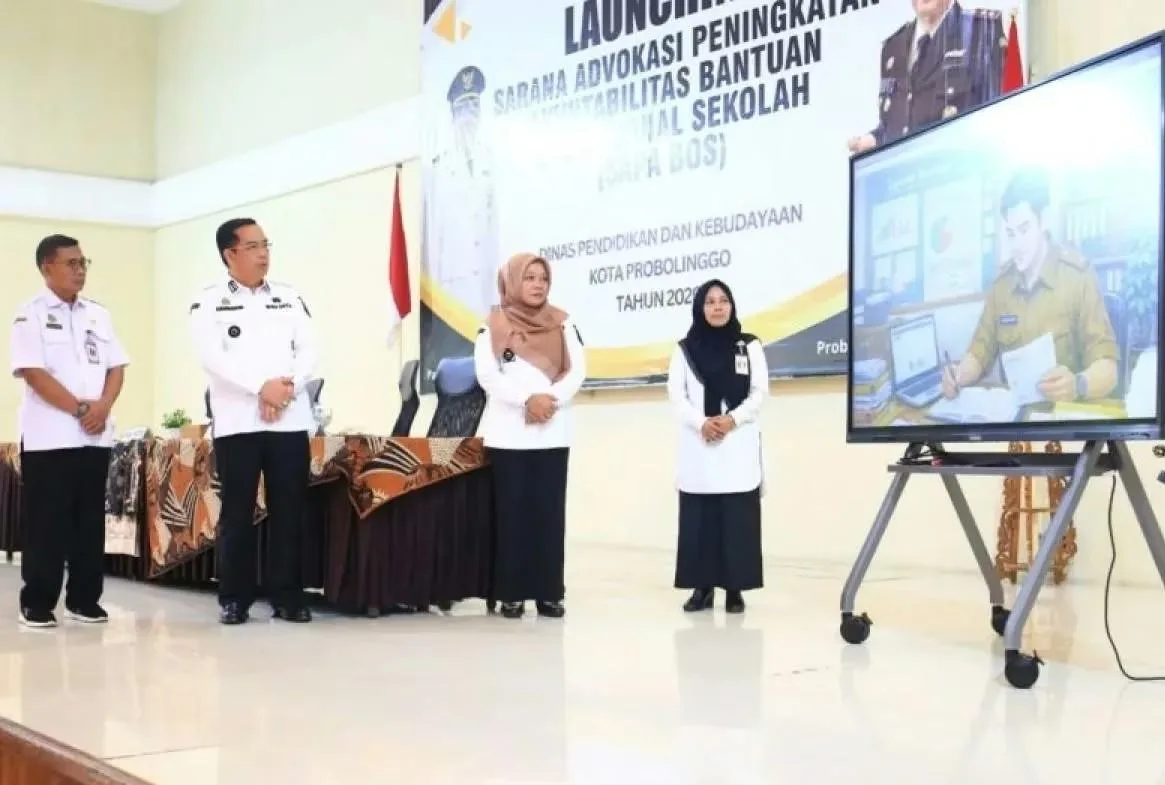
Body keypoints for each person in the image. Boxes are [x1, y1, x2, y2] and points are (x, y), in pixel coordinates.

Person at [188, 218, 319, 625]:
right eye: (253, 246)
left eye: (266, 245)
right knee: (237, 513)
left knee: (290, 511)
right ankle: (235, 598)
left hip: (288, 421)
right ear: (230, 254)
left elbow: (310, 351)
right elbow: (214, 359)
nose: (263, 254)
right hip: (238, 423)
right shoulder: (208, 302)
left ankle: (288, 596)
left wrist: (286, 389)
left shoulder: (289, 297)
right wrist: (260, 388)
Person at [9, 234, 129, 628]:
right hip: (50, 437)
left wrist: (103, 407)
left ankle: (84, 600)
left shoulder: (98, 314)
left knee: (89, 522)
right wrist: (79, 409)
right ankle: (37, 602)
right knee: (47, 523)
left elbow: (116, 367)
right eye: (71, 263)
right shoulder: (30, 315)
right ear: (48, 268)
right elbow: (34, 372)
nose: (80, 270)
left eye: (83, 263)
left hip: (94, 436)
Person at [941, 168, 1119, 402]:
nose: (1015, 245)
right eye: (1010, 234)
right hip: (1014, 417)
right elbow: (978, 353)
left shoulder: (1077, 276)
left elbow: (1108, 368)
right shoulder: (1001, 286)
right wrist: (958, 375)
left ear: (1043, 221)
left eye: (1024, 230)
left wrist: (1078, 384)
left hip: (1063, 415)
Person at [473, 253, 586, 619]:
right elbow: (488, 376)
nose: (538, 284)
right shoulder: (492, 326)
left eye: (543, 278)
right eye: (530, 277)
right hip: (509, 435)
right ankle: (511, 593)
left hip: (552, 432)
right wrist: (527, 400)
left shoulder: (564, 324)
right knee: (512, 517)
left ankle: (549, 593)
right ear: (512, 282)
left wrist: (548, 400)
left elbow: (578, 371)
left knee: (549, 517)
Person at [666, 280, 768, 614]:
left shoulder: (749, 346)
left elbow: (759, 392)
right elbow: (677, 396)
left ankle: (735, 589)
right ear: (700, 308)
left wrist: (731, 420)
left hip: (737, 442)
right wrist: (702, 423)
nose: (718, 307)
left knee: (737, 519)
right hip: (699, 445)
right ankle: (702, 589)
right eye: (710, 302)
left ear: (732, 306)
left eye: (724, 300)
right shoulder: (684, 350)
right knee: (700, 520)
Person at [422, 64, 501, 377]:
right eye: (464, 107)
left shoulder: (489, 160)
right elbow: (432, 239)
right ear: (453, 114)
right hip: (452, 290)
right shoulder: (438, 169)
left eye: (474, 106)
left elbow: (495, 232)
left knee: (489, 371)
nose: (470, 115)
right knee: (458, 371)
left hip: (486, 289)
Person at [848, 0, 1004, 154]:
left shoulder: (982, 30)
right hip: (905, 167)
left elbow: (997, 115)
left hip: (960, 161)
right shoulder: (892, 47)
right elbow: (893, 125)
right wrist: (873, 141)